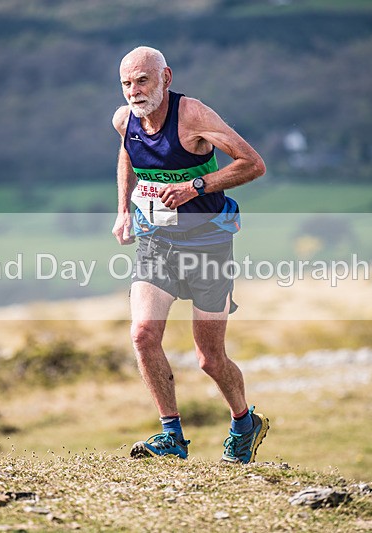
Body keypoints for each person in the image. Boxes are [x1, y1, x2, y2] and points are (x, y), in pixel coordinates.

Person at [111, 46, 268, 463]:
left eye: (142, 80)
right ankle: (172, 437)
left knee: (209, 358)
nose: (134, 90)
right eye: (126, 83)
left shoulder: (193, 116)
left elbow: (252, 164)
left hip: (209, 245)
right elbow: (128, 151)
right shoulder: (124, 120)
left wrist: (194, 188)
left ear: (166, 77)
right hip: (157, 241)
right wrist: (124, 210)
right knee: (143, 334)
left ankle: (243, 422)